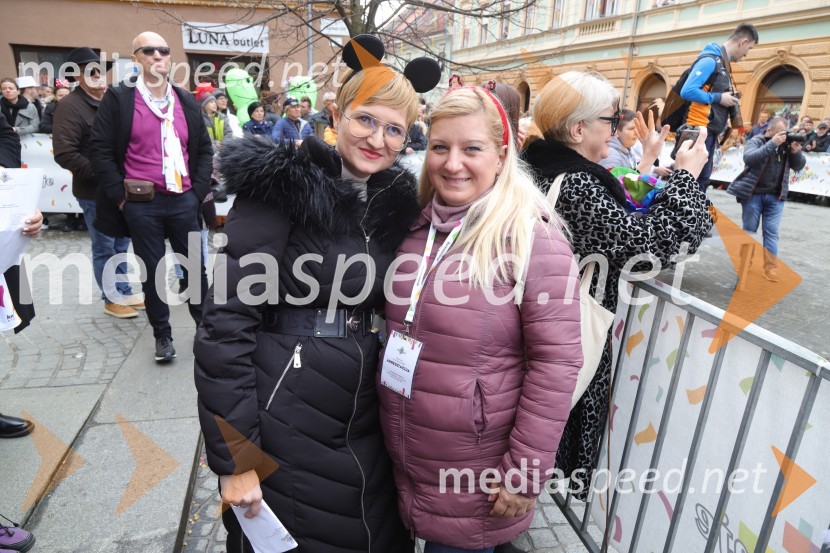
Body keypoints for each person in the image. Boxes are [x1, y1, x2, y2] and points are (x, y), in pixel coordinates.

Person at [194, 35, 440, 553]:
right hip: (287, 404)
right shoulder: (281, 186)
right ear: (338, 111)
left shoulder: (396, 200)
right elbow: (224, 327)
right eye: (366, 119)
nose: (379, 138)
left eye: (396, 129)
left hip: (368, 407)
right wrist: (236, 460)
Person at [377, 82, 582, 553]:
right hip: (408, 457)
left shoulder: (533, 240)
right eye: (440, 147)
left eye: (472, 148)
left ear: (501, 153)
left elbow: (556, 364)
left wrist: (525, 473)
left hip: (478, 475)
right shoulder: (415, 228)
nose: (452, 163)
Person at [524, 70, 713, 501]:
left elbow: (622, 218)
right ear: (578, 129)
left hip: (542, 324)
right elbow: (648, 246)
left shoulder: (541, 163)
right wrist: (685, 178)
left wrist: (647, 162)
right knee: (539, 442)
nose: (614, 129)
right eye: (610, 121)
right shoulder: (575, 182)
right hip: (564, 336)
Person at [90, 31, 212, 362]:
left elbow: (203, 151)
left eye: (163, 50)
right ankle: (163, 335)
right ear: (136, 58)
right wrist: (121, 198)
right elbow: (100, 151)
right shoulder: (119, 98)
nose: (158, 55)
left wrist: (197, 192)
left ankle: (205, 330)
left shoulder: (185, 100)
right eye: (149, 50)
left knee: (195, 268)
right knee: (154, 270)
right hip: (142, 204)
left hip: (184, 199)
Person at [53, 46, 142, 317]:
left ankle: (124, 291)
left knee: (121, 243)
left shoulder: (110, 100)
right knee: (104, 244)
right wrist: (105, 173)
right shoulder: (69, 106)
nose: (100, 77)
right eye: (91, 72)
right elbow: (65, 153)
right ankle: (111, 298)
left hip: (119, 188)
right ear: (77, 77)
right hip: (94, 190)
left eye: (101, 71)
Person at [726, 116, 805, 282]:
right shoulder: (756, 140)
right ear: (769, 130)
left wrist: (795, 152)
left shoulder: (787, 145)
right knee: (749, 231)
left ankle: (770, 269)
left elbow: (798, 166)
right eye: (779, 133)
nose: (783, 136)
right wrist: (772, 143)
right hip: (753, 194)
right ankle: (744, 266)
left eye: (784, 133)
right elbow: (749, 159)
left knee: (771, 233)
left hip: (776, 196)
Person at [681, 23, 758, 191]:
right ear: (743, 42)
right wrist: (719, 97)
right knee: (691, 184)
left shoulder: (721, 63)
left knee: (699, 183)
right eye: (749, 48)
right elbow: (687, 91)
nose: (746, 54)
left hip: (707, 133)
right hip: (699, 131)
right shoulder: (710, 60)